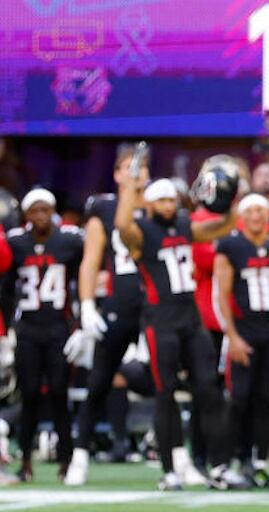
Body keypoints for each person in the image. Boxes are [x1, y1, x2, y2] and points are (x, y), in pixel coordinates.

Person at [115, 173, 250, 491]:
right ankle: (169, 470)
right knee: (165, 394)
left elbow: (223, 226)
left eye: (171, 200)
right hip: (160, 320)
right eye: (161, 200)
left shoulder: (185, 225)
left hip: (191, 319)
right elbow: (122, 226)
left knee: (209, 390)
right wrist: (130, 189)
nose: (168, 206)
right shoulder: (141, 232)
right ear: (149, 204)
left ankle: (219, 466)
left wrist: (232, 197)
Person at [66, 145, 147, 486]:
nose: (136, 173)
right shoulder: (105, 208)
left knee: (168, 382)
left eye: (140, 168)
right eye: (128, 168)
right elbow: (91, 259)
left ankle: (178, 457)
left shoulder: (158, 204)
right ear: (116, 174)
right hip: (120, 303)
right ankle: (79, 455)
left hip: (156, 305)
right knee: (99, 381)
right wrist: (87, 305)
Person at [214, 193, 269, 487]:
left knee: (265, 397)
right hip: (245, 331)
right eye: (250, 211)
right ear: (241, 215)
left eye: (260, 210)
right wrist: (232, 336)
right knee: (239, 398)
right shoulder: (231, 245)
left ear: (268, 214)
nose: (255, 216)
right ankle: (231, 459)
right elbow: (221, 294)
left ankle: (259, 462)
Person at [0, 190, 83, 482]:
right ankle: (24, 459)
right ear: (26, 215)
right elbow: (6, 288)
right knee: (30, 394)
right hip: (28, 329)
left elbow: (82, 276)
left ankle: (67, 459)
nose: (40, 216)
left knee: (60, 393)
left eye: (45, 210)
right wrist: (8, 328)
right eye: (35, 211)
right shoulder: (16, 243)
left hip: (58, 327)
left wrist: (79, 323)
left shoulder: (68, 241)